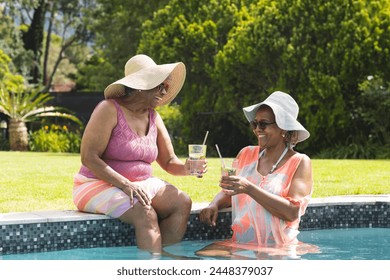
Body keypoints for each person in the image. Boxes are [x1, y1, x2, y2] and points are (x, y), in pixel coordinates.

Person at [73, 54, 206, 255]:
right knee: (146, 213)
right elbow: (89, 157)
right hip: (96, 184)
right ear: (140, 86)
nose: (164, 91)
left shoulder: (153, 116)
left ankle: (163, 260)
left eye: (166, 87)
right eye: (160, 85)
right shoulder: (108, 109)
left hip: (139, 184)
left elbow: (169, 162)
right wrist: (125, 184)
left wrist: (187, 168)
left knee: (182, 202)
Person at [197, 91, 317, 259]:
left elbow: (292, 212)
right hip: (241, 243)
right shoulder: (246, 154)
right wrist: (214, 205)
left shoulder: (299, 162)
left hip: (279, 247)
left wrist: (249, 188)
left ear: (283, 128)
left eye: (263, 124)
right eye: (254, 124)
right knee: (200, 257)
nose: (257, 129)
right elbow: (230, 191)